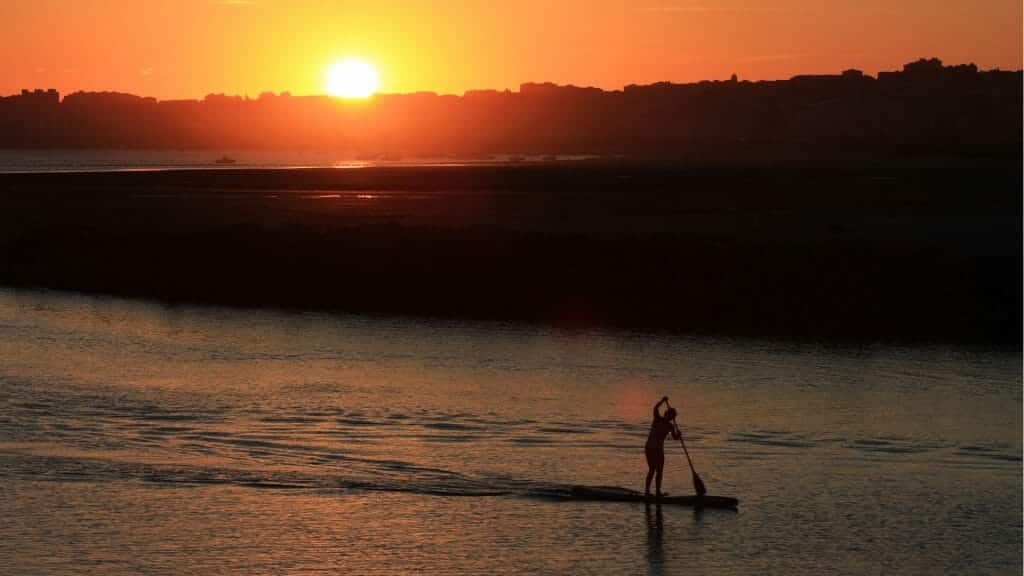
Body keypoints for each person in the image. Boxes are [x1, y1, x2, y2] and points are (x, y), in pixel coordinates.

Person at [645, 396, 681, 498]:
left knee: (660, 471)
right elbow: (655, 408)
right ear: (666, 414)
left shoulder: (671, 426)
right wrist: (662, 401)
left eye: (671, 417)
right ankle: (647, 492)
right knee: (652, 469)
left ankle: (657, 492)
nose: (669, 418)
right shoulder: (657, 419)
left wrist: (679, 435)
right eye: (669, 416)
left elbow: (675, 438)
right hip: (650, 448)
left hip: (659, 450)